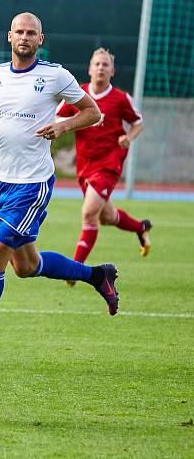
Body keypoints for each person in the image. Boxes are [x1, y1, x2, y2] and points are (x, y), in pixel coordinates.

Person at [0, 13, 120, 369]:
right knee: (27, 266)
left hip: (33, 184)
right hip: (2, 182)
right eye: (20, 31)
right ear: (9, 36)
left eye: (32, 33)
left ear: (40, 39)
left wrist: (63, 125)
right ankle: (97, 275)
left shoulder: (55, 75)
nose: (25, 37)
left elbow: (92, 113)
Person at [56, 48, 150, 286]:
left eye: (105, 65)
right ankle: (141, 227)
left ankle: (74, 271)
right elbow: (57, 118)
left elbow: (138, 123)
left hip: (110, 164)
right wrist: (65, 125)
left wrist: (129, 138)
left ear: (112, 71)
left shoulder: (120, 98)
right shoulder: (79, 95)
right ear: (89, 68)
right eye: (97, 64)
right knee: (107, 216)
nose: (100, 68)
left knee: (89, 214)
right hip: (85, 165)